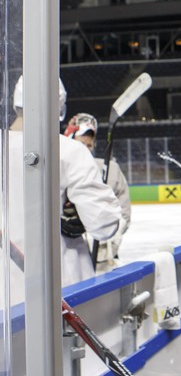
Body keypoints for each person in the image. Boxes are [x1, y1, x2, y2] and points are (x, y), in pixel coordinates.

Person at [6, 77, 121, 290]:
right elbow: (104, 224)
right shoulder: (69, 150)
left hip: (6, 295)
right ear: (58, 105)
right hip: (63, 285)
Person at [65, 112, 132, 269]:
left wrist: (111, 237)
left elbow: (124, 212)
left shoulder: (111, 170)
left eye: (89, 145)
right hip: (68, 256)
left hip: (104, 258)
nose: (86, 150)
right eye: (81, 144)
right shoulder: (56, 170)